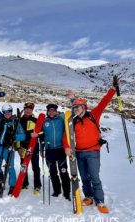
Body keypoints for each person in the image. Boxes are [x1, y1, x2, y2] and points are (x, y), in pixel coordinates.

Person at [65, 78, 118, 214]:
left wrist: (113, 89)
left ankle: (99, 201)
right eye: (74, 107)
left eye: (78, 107)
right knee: (84, 177)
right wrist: (67, 146)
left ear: (84, 107)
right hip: (79, 152)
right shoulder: (73, 121)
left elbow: (104, 101)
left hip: (93, 151)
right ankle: (88, 196)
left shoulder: (94, 114)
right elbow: (65, 135)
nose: (75, 109)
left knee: (95, 177)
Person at [41, 103, 70, 200]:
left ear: (56, 111)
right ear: (47, 112)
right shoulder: (44, 122)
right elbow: (41, 137)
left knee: (63, 172)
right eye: (50, 110)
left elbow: (69, 121)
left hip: (61, 149)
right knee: (53, 172)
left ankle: (67, 192)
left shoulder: (61, 119)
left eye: (53, 110)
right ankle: (57, 190)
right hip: (49, 151)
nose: (51, 112)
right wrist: (42, 149)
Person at [16, 102, 42, 195]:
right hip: (23, 146)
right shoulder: (19, 120)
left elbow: (41, 132)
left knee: (35, 166)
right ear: (24, 109)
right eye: (26, 109)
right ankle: (24, 183)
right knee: (24, 166)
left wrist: (37, 134)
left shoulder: (36, 120)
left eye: (30, 109)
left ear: (32, 110)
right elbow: (17, 135)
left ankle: (37, 185)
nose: (28, 111)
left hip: (34, 146)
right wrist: (18, 147)